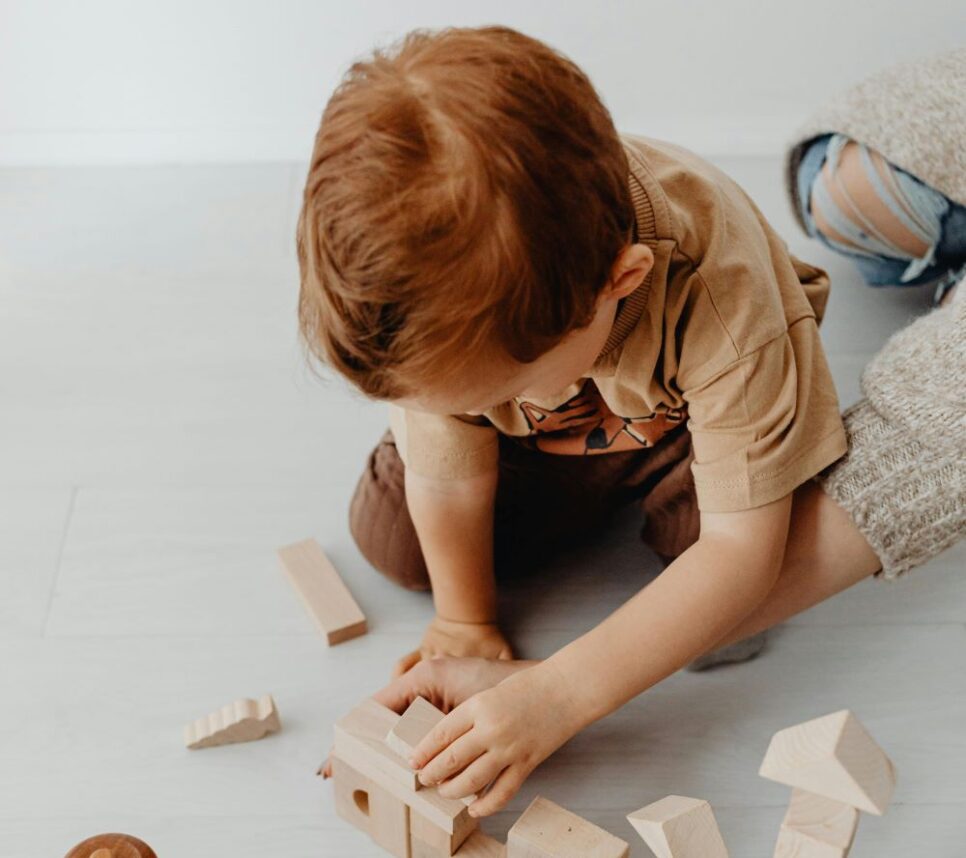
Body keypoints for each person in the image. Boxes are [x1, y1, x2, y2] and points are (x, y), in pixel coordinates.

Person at [298, 27, 962, 816]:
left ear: (623, 281)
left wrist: (560, 695)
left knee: (731, 598)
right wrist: (463, 619)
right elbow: (445, 467)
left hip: (679, 431)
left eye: (478, 391)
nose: (456, 412)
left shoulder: (725, 294)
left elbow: (739, 553)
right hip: (547, 431)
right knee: (396, 543)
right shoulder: (454, 303)